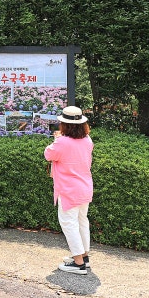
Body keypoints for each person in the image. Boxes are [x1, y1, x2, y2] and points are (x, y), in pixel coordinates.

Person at [44, 105, 93, 275]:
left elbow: (48, 154)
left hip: (68, 190)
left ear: (65, 125)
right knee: (81, 221)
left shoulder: (62, 142)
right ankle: (84, 257)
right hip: (84, 187)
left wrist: (57, 139)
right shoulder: (87, 140)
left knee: (69, 223)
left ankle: (78, 263)